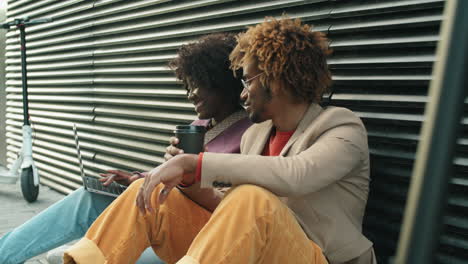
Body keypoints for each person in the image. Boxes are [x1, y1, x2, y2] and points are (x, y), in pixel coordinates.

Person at [64, 16, 376, 264]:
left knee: (253, 197)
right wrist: (187, 179)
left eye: (247, 80)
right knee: (154, 192)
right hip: (256, 251)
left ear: (275, 78)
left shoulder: (341, 127)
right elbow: (230, 208)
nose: (242, 93)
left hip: (316, 257)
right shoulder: (256, 135)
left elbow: (297, 174)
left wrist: (195, 162)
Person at [0, 33, 252, 264]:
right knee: (89, 198)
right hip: (165, 213)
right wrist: (138, 178)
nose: (191, 94)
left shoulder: (250, 133)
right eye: (187, 85)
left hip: (202, 235)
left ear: (223, 81)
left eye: (199, 84)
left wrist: (187, 173)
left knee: (82, 252)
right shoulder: (199, 126)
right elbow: (168, 180)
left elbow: (235, 208)